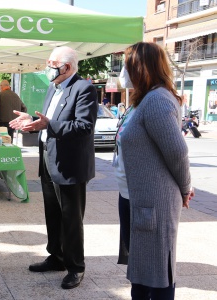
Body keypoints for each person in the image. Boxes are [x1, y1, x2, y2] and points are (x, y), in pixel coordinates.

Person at [10, 46, 98, 289]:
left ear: (67, 67)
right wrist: (31, 121)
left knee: (71, 218)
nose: (48, 67)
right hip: (48, 159)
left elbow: (83, 127)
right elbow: (46, 120)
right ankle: (56, 257)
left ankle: (75, 267)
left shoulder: (84, 89)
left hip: (70, 165)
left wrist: (47, 126)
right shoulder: (53, 87)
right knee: (53, 213)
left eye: (52, 63)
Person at [119, 42, 194, 300]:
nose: (124, 72)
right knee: (145, 273)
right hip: (145, 200)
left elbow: (177, 151)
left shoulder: (156, 101)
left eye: (127, 65)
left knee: (158, 275)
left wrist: (186, 188)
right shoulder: (149, 99)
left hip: (155, 203)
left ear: (141, 68)